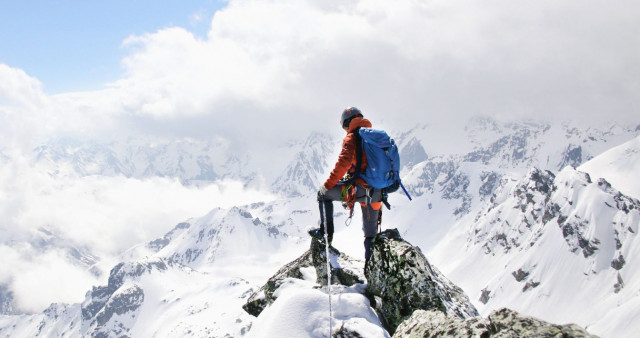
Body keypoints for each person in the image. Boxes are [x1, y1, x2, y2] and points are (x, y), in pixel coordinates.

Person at [310, 106, 382, 261]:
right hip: (377, 193)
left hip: (359, 190)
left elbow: (343, 164)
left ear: (347, 123)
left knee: (323, 195)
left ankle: (325, 234)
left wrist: (328, 185)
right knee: (371, 236)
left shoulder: (352, 138)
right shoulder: (375, 138)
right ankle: (371, 274)